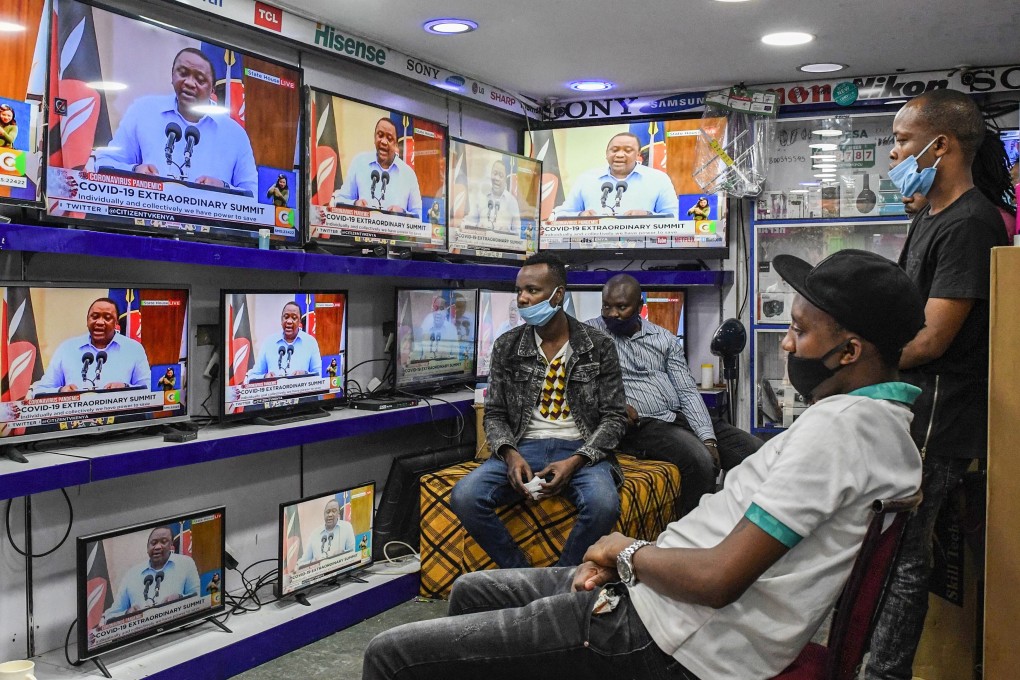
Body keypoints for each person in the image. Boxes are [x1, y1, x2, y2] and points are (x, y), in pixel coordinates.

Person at [364, 249, 926, 680]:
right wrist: (636, 563)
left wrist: (624, 551)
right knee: (470, 593)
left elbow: (717, 580)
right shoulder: (871, 425)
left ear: (849, 351)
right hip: (663, 598)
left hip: (669, 633)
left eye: (800, 332)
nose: (785, 344)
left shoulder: (840, 430)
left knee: (390, 654)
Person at [866, 90, 1011, 680]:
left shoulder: (973, 222)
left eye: (902, 140)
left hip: (940, 418)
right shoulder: (930, 212)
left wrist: (860, 364)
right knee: (889, 551)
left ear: (941, 144)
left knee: (904, 557)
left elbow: (930, 338)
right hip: (915, 409)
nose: (895, 152)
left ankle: (887, 671)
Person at [450, 251, 628, 569]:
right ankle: (519, 572)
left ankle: (558, 581)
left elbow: (615, 418)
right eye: (519, 291)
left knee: (603, 504)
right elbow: (494, 414)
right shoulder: (507, 345)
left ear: (558, 295)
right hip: (524, 446)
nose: (523, 299)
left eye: (532, 290)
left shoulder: (598, 346)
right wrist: (509, 453)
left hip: (582, 451)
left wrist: (576, 461)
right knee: (465, 495)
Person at [586, 274, 763, 517]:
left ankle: (750, 529)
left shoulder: (663, 339)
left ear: (640, 307)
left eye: (621, 307)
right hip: (642, 425)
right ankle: (687, 539)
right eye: (607, 306)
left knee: (755, 452)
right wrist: (612, 405)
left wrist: (708, 438)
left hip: (677, 415)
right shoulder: (589, 336)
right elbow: (579, 384)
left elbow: (687, 391)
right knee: (700, 461)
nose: (612, 313)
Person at [94, 48, 258, 197]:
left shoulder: (234, 134)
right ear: (172, 75)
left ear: (212, 89)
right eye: (183, 73)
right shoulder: (143, 112)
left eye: (200, 79)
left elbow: (251, 194)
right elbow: (103, 164)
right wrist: (135, 171)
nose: (189, 82)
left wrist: (222, 187)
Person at [30, 298, 150, 396]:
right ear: (87, 320)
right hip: (76, 421)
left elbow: (149, 388)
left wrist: (125, 387)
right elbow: (41, 389)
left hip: (121, 423)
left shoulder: (134, 349)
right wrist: (61, 391)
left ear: (116, 323)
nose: (99, 322)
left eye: (107, 318)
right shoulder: (67, 349)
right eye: (95, 316)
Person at [550, 132, 679, 220]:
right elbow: (561, 214)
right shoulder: (587, 179)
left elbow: (675, 215)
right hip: (592, 252)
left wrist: (647, 215)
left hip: (645, 251)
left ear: (638, 154)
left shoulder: (658, 179)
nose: (620, 155)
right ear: (606, 153)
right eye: (615, 150)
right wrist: (581, 215)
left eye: (628, 151)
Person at [102, 526, 201, 621]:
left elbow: (198, 598)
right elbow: (111, 615)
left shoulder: (186, 563)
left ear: (171, 545)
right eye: (153, 543)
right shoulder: (131, 574)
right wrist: (127, 613)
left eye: (163, 542)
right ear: (147, 548)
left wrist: (180, 598)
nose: (157, 547)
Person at [331, 117, 423, 219]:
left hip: (395, 234)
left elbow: (418, 215)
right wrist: (355, 204)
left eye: (389, 138)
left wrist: (401, 212)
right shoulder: (359, 162)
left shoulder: (408, 174)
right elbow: (339, 200)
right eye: (380, 135)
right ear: (374, 138)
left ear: (396, 144)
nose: (383, 141)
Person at [246, 301, 321, 381]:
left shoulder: (310, 342)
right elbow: (252, 376)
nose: (289, 321)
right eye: (286, 317)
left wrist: (305, 374)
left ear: (299, 322)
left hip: (301, 392)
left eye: (294, 318)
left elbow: (319, 375)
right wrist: (265, 377)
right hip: (274, 393)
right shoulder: (269, 343)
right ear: (281, 320)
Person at [463, 160, 522, 233]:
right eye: (495, 173)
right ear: (491, 174)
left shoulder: (512, 202)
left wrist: (507, 232)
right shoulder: (481, 197)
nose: (497, 178)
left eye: (501, 175)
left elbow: (518, 232)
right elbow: (468, 222)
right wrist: (478, 227)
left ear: (505, 179)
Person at [298, 498, 355, 567]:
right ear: (324, 514)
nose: (330, 515)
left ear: (338, 514)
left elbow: (353, 553)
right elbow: (302, 563)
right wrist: (313, 562)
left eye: (334, 511)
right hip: (320, 575)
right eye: (327, 512)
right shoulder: (315, 534)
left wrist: (342, 554)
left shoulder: (346, 527)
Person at [415, 295, 459, 360]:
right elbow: (417, 354)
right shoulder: (425, 324)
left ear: (446, 312)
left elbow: (456, 357)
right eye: (436, 308)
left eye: (441, 309)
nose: (438, 312)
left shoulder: (452, 330)